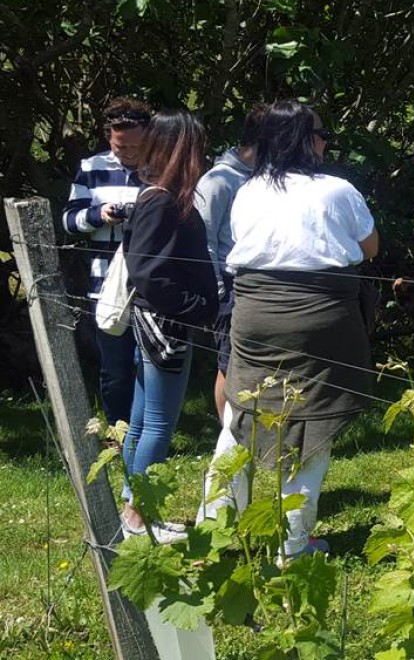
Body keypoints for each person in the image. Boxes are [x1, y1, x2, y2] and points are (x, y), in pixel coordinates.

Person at [200, 100, 380, 558]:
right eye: (320, 134)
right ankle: (294, 546)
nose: (325, 142)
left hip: (254, 316)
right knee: (313, 424)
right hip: (321, 319)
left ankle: (215, 530)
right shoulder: (337, 190)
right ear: (302, 141)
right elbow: (370, 247)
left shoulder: (248, 191)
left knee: (240, 414)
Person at [121, 110, 218, 541]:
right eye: (199, 147)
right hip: (166, 323)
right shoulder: (162, 200)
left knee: (141, 422)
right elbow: (148, 271)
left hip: (155, 320)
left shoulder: (154, 195)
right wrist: (199, 307)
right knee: (159, 424)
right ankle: (141, 517)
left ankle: (129, 506)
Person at [63, 97, 152, 425]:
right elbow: (69, 221)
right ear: (108, 138)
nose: (128, 153)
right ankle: (118, 432)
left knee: (148, 363)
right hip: (105, 282)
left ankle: (147, 429)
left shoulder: (162, 167)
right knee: (114, 368)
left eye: (135, 146)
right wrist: (100, 215)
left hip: (149, 281)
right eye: (120, 146)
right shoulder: (92, 167)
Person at [194, 105, 265, 420]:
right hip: (229, 283)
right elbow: (203, 238)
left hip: (255, 283)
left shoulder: (262, 179)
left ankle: (249, 430)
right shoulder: (219, 180)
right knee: (229, 362)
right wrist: (218, 290)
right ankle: (227, 435)